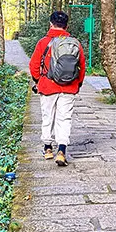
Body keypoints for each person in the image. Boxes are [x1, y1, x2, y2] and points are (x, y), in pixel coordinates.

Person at [29, 11, 86, 166]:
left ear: (50, 24)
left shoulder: (43, 42)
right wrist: (78, 84)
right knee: (64, 118)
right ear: (67, 26)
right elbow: (82, 66)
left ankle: (48, 149)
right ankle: (61, 150)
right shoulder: (75, 43)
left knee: (48, 117)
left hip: (48, 86)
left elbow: (34, 65)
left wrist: (38, 80)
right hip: (69, 88)